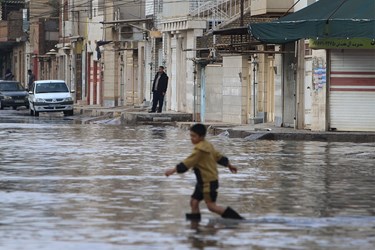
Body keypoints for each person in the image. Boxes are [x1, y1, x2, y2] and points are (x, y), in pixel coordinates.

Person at [165, 123, 244, 221]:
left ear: (201, 137)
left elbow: (188, 163)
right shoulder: (207, 145)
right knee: (194, 202)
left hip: (208, 182)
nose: (191, 138)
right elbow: (219, 157)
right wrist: (229, 165)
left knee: (211, 206)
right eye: (191, 136)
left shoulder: (199, 150)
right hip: (203, 182)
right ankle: (194, 225)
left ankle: (237, 219)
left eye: (194, 136)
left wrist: (172, 170)